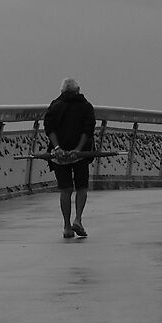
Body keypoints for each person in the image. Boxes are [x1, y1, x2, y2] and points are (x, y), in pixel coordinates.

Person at [44, 77, 98, 239]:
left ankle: (67, 226)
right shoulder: (86, 106)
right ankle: (78, 219)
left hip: (58, 155)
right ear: (78, 90)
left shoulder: (55, 106)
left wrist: (57, 148)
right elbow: (88, 130)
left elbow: (49, 128)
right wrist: (78, 149)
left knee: (65, 189)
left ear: (62, 91)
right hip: (80, 154)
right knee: (81, 187)